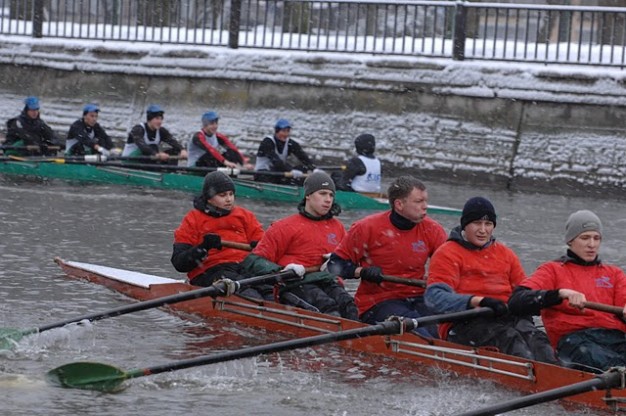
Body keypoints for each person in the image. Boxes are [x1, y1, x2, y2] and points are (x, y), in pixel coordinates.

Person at [424, 196, 559, 364]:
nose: (483, 230)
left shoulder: (506, 255)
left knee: (539, 342)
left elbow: (521, 294)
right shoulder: (447, 253)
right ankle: (529, 376)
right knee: (511, 340)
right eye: (477, 223)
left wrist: (548, 298)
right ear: (465, 225)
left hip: (504, 317)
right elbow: (434, 298)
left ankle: (556, 373)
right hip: (465, 322)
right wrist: (477, 301)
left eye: (488, 224)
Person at [326, 176, 446, 337]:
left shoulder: (433, 230)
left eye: (426, 201)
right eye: (419, 201)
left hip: (418, 296)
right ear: (399, 204)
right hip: (378, 302)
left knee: (443, 329)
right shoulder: (367, 227)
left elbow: (449, 266)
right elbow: (334, 264)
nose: (425, 206)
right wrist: (361, 272)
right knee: (422, 334)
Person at [508, 210, 626, 372]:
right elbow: (516, 301)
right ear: (570, 241)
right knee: (612, 364)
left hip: (614, 337)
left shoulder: (614, 274)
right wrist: (559, 294)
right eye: (585, 238)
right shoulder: (552, 270)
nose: (592, 244)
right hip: (574, 341)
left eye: (596, 238)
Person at [241, 171, 358, 319]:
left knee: (350, 306)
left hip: (327, 281)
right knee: (328, 309)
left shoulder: (338, 227)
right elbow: (253, 262)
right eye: (322, 194)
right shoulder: (283, 227)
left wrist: (336, 262)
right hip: (295, 285)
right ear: (308, 195)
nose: (328, 200)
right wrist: (283, 270)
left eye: (331, 195)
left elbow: (351, 262)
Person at [171, 171, 270, 300]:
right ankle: (258, 305)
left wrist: (260, 246)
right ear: (209, 198)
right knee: (250, 294)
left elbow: (265, 245)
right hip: (210, 272)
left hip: (244, 268)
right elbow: (179, 263)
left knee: (270, 289)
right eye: (222, 195)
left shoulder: (245, 216)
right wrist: (204, 247)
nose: (229, 199)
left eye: (231, 194)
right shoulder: (193, 219)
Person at [253, 118, 316, 184]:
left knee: (302, 169)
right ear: (277, 131)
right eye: (283, 131)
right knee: (274, 173)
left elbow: (303, 156)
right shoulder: (267, 142)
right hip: (263, 174)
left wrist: (314, 168)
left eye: (288, 131)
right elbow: (277, 162)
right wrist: (291, 170)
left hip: (279, 172)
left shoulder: (290, 143)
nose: (286, 134)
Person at [187, 111, 253, 170]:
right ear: (205, 125)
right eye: (212, 124)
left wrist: (243, 162)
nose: (215, 126)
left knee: (230, 152)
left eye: (216, 123)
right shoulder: (198, 136)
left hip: (209, 164)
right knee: (213, 154)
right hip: (195, 167)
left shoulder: (218, 135)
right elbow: (210, 150)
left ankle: (230, 175)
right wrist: (226, 162)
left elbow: (232, 147)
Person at [122, 104, 187, 163]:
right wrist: (156, 154)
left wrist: (182, 150)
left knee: (173, 149)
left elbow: (172, 141)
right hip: (129, 161)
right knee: (153, 147)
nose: (160, 122)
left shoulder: (161, 131)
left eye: (161, 119)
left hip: (147, 161)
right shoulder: (138, 129)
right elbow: (142, 146)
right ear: (149, 119)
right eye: (157, 118)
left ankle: (169, 171)